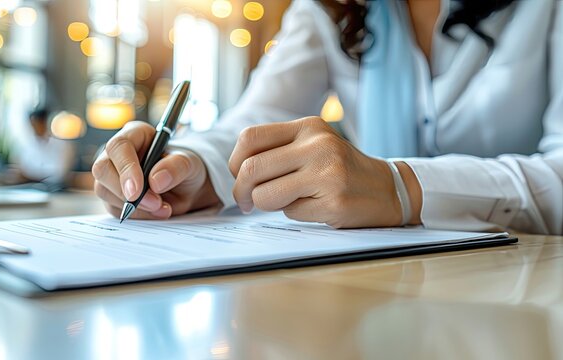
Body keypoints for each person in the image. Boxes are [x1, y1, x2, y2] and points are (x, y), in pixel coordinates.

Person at [92, 0, 563, 235]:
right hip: (370, 276)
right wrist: (189, 167)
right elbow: (259, 116)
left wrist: (400, 187)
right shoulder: (328, 8)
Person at [9, 109, 75, 186]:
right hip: (28, 188)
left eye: (38, 123)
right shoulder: (25, 145)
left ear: (45, 122)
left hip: (54, 189)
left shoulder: (62, 145)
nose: (34, 127)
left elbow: (59, 173)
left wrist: (30, 175)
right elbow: (21, 169)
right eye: (32, 123)